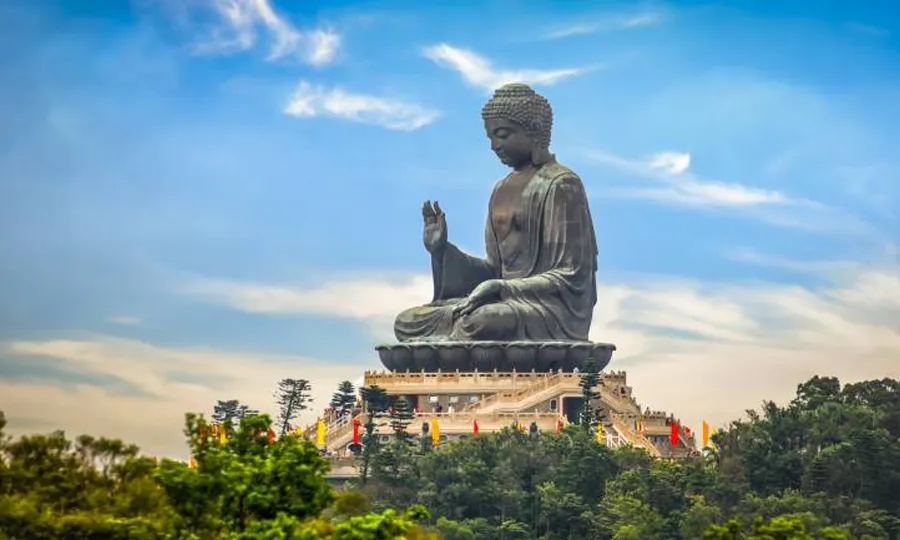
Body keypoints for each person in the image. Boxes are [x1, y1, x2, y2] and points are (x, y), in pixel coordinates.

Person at [394, 83, 598, 342]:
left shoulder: (562, 184)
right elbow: (493, 270)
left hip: (547, 310)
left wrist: (503, 288)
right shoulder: (500, 189)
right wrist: (442, 251)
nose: (494, 145)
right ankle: (455, 340)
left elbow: (572, 275)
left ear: (534, 129)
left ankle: (457, 343)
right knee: (408, 322)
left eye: (502, 135)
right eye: (490, 137)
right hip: (502, 301)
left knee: (483, 320)